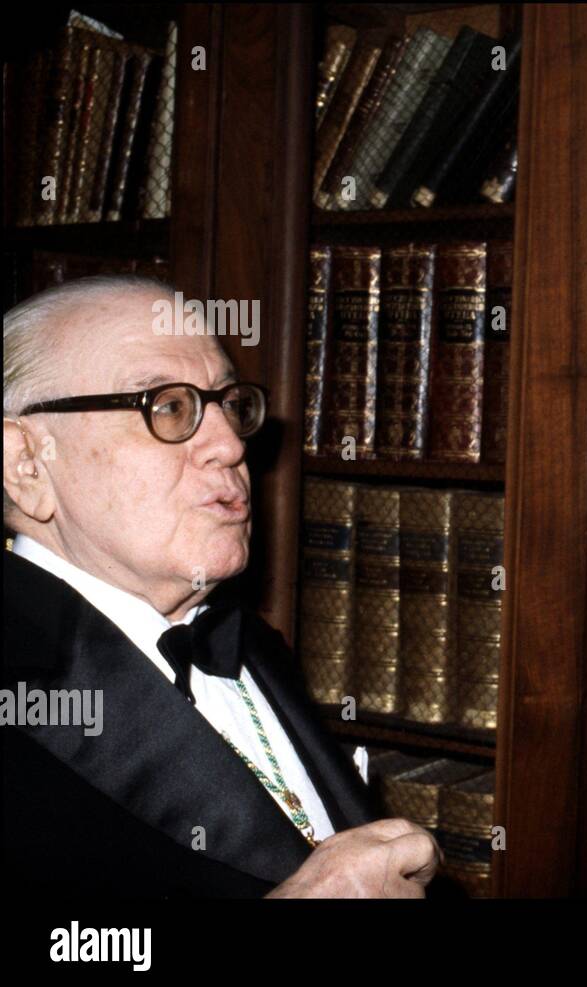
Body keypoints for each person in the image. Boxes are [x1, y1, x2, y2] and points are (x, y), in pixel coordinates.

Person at [2, 275, 438, 897]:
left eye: (230, 405)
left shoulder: (250, 644)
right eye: (167, 407)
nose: (231, 445)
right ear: (24, 464)